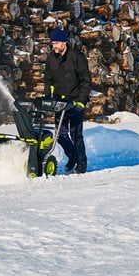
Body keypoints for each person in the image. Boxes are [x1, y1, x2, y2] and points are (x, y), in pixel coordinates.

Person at [42, 27, 91, 174]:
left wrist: (81, 101)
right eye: (53, 43)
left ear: (64, 42)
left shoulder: (77, 57)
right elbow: (48, 80)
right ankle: (73, 156)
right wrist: (47, 97)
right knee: (60, 135)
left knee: (76, 135)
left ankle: (81, 165)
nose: (54, 46)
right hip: (59, 103)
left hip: (75, 102)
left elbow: (86, 81)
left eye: (56, 43)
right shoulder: (51, 58)